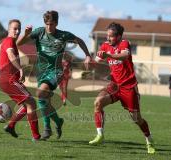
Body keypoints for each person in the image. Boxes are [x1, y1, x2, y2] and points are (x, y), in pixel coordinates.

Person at [17, 10, 92, 140]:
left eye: (51, 24)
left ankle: (47, 128)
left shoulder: (63, 35)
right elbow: (19, 44)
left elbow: (80, 41)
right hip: (42, 72)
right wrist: (25, 34)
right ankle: (58, 122)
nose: (49, 27)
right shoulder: (39, 32)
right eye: (47, 24)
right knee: (43, 101)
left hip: (56, 72)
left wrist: (87, 55)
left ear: (56, 23)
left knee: (40, 94)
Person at [89, 22, 155, 154]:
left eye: (111, 36)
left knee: (136, 118)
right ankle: (100, 135)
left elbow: (124, 56)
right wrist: (89, 63)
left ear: (119, 36)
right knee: (98, 103)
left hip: (128, 86)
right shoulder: (105, 46)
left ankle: (149, 140)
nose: (108, 39)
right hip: (114, 85)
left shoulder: (124, 43)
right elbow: (96, 62)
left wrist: (108, 56)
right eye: (107, 36)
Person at [0, 19, 40, 141]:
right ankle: (36, 136)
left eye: (19, 29)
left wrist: (26, 34)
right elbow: (11, 55)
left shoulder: (11, 42)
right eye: (14, 29)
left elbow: (19, 43)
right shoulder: (9, 42)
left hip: (8, 80)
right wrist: (20, 69)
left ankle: (11, 126)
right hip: (9, 80)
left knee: (28, 105)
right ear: (8, 29)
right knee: (31, 103)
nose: (17, 31)